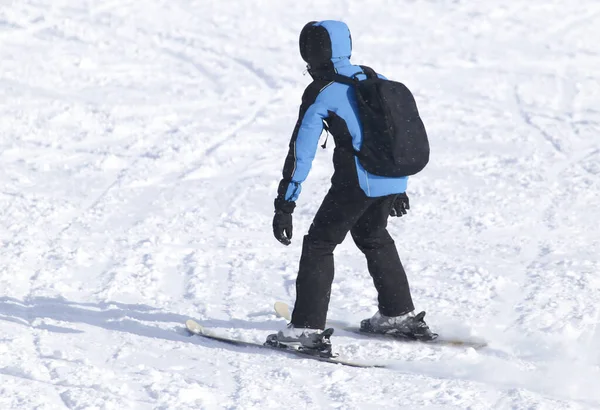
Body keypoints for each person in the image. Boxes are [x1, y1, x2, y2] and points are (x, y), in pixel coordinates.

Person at [271, 20, 435, 351]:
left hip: (357, 181)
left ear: (310, 52)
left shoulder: (322, 90)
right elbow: (396, 136)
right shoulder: (375, 78)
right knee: (372, 236)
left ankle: (305, 331)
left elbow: (301, 153)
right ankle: (397, 315)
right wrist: (397, 186)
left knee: (319, 243)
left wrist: (285, 204)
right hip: (389, 177)